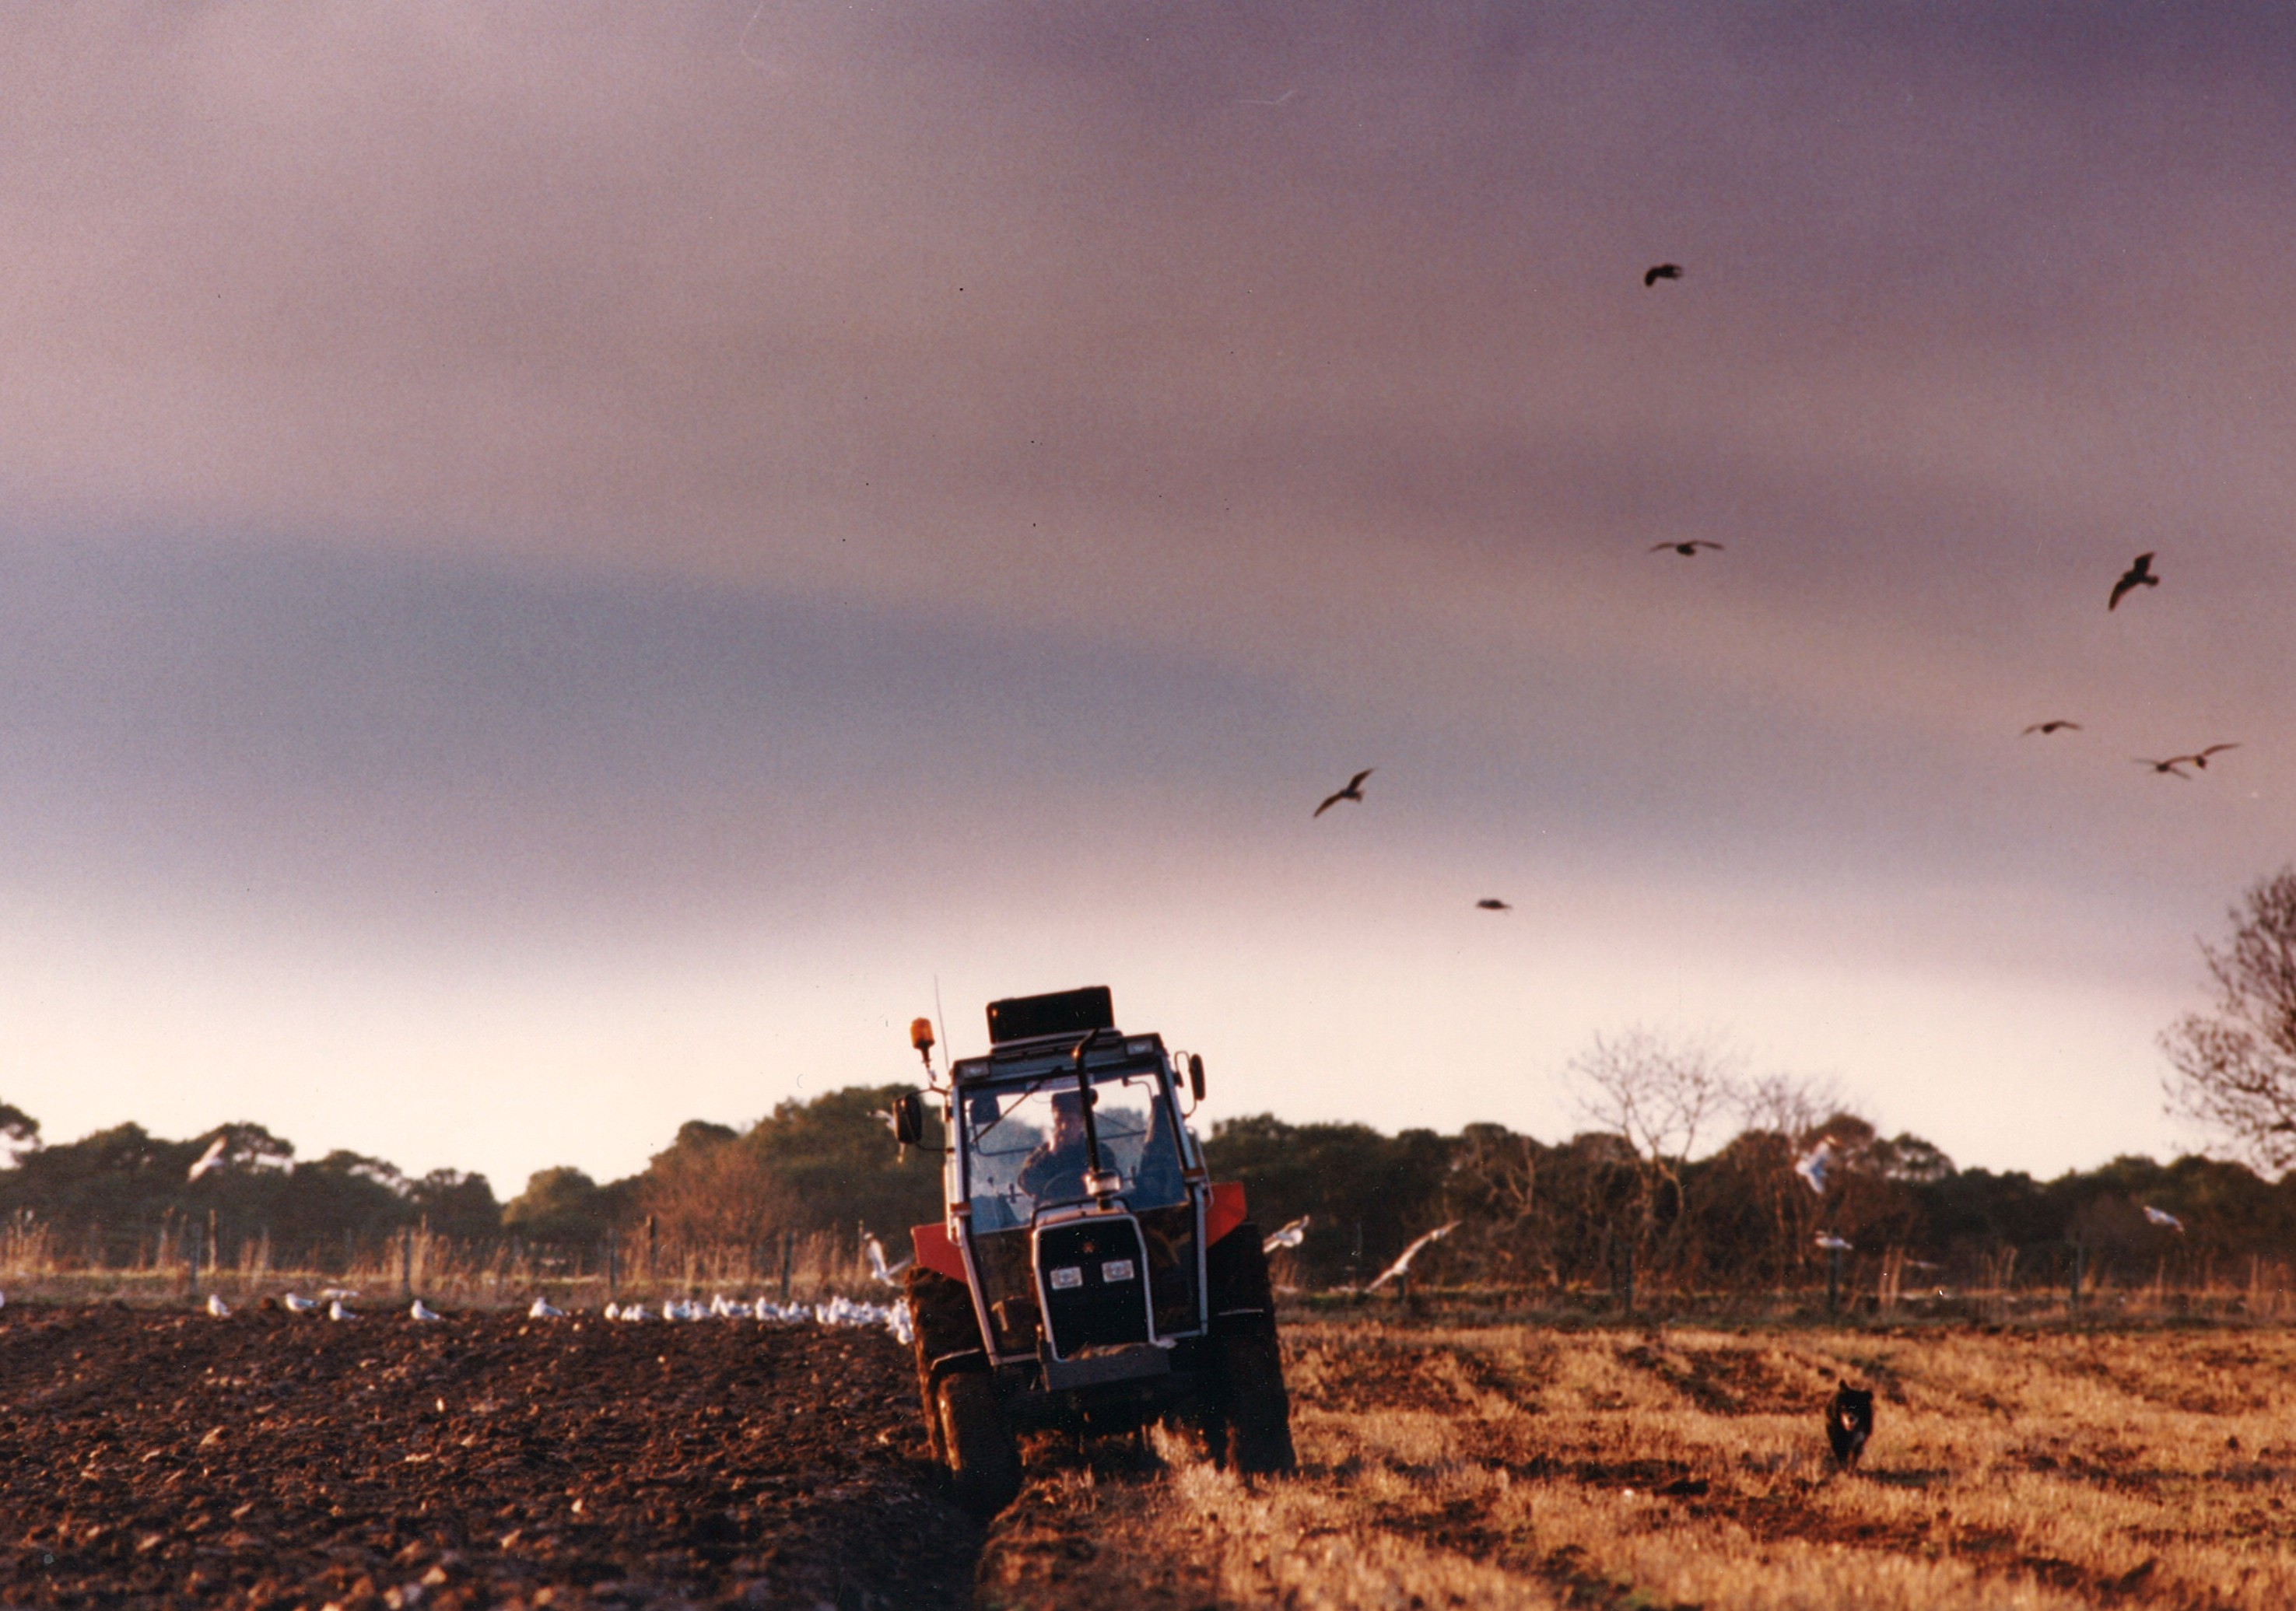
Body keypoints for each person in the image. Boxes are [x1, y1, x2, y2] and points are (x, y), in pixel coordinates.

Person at [1017, 1088, 1095, 1205]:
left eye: (1070, 1120)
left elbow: (1111, 1180)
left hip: (1093, 1208)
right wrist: (1051, 1154)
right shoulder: (1039, 1155)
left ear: (1081, 1122)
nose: (1064, 1127)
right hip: (1052, 1212)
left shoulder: (1097, 1151)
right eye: (1059, 1121)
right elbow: (1027, 1185)